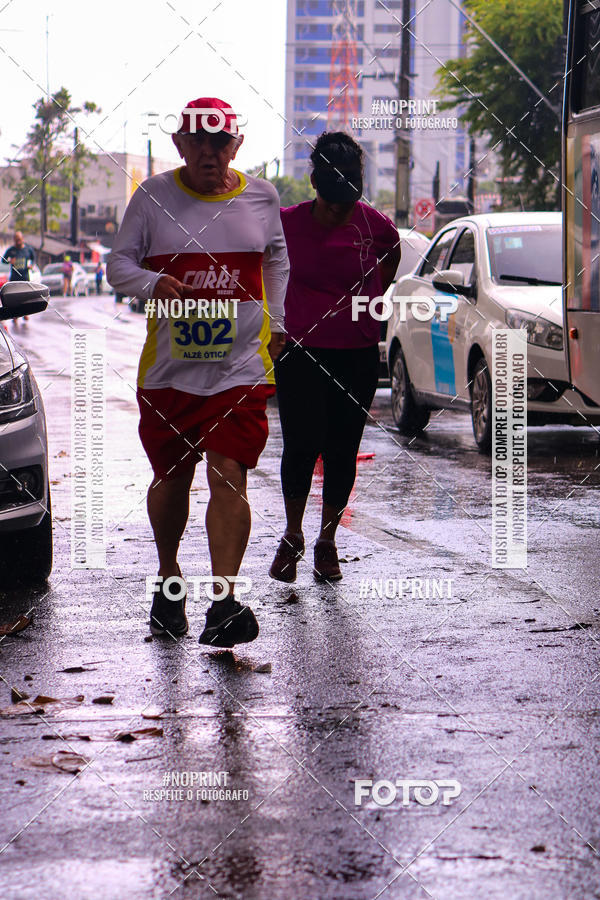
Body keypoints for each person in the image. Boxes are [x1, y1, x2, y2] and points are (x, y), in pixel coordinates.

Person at [107, 96, 289, 647]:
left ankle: (225, 601)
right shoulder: (153, 197)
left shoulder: (262, 196)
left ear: (237, 145)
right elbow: (118, 264)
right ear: (179, 145)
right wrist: (151, 283)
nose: (209, 153)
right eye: (197, 142)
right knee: (173, 477)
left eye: (220, 142)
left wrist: (278, 323)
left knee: (229, 471)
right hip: (169, 372)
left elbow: (277, 257)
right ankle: (168, 577)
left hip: (240, 368)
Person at [269, 131, 400, 584]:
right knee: (301, 446)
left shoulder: (372, 224)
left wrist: (372, 298)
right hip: (300, 351)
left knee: (342, 449)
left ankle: (327, 542)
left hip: (357, 352)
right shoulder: (284, 222)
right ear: (314, 185)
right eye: (332, 201)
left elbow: (392, 251)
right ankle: (291, 536)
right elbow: (265, 268)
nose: (341, 210)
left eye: (348, 201)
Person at [2, 231, 36, 321]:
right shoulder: (11, 250)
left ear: (22, 239)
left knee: (26, 296)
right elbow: (3, 260)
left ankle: (25, 313)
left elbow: (33, 258)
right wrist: (9, 261)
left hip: (25, 276)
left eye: (19, 239)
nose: (18, 241)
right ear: (14, 240)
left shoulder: (28, 249)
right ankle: (15, 315)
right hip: (14, 277)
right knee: (15, 297)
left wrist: (31, 265)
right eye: (16, 240)